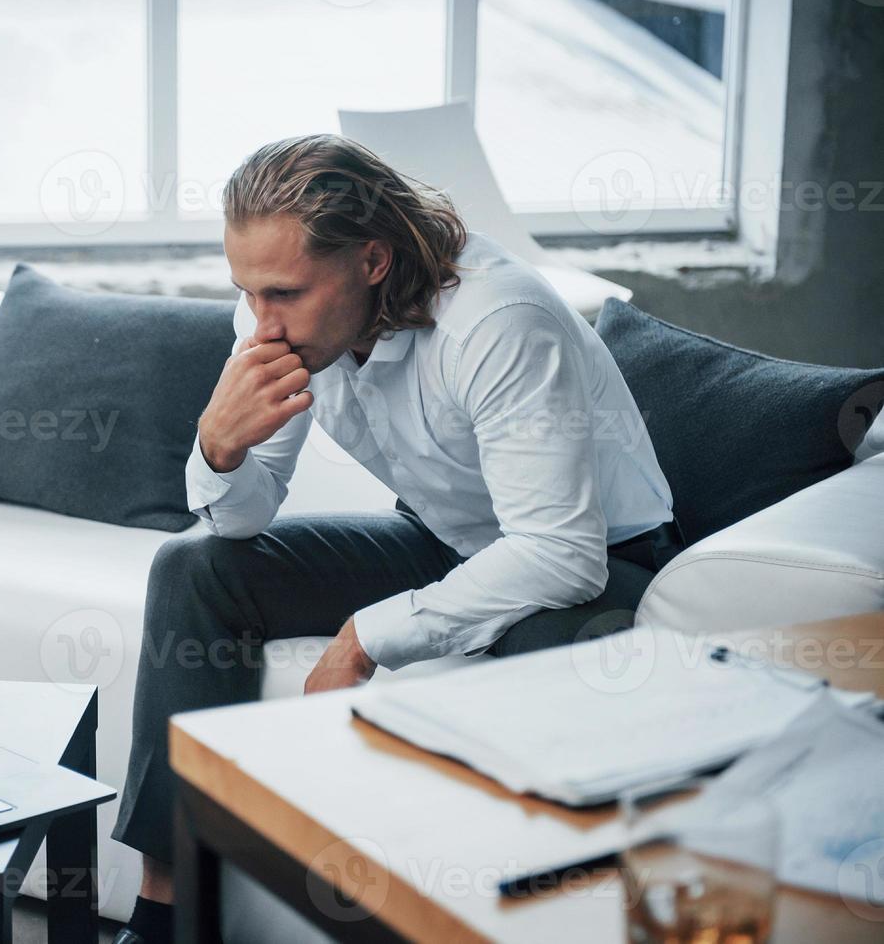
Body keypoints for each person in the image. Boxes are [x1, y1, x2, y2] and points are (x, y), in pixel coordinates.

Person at [109, 134, 684, 944]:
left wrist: (364, 637)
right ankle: (164, 917)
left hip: (601, 562)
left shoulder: (497, 319)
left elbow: (559, 552)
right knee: (193, 568)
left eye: (283, 293)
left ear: (372, 262)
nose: (260, 323)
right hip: (443, 538)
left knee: (549, 655)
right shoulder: (286, 320)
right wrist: (217, 447)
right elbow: (240, 518)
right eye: (247, 291)